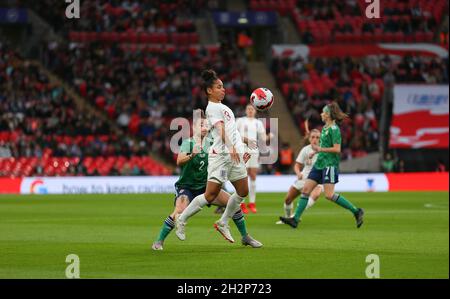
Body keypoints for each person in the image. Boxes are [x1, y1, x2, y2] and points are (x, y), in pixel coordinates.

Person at [152, 109, 261, 250]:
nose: (204, 128)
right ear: (194, 127)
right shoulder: (188, 142)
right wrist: (192, 154)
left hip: (207, 186)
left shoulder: (213, 143)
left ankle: (245, 237)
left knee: (233, 205)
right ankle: (159, 242)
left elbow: (225, 163)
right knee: (179, 211)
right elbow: (179, 161)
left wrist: (240, 162)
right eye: (201, 125)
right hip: (187, 186)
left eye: (206, 125)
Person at [175, 69, 260, 244]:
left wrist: (243, 142)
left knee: (243, 191)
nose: (224, 89)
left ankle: (223, 222)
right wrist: (230, 147)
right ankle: (182, 219)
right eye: (219, 87)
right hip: (221, 157)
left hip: (233, 156)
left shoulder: (223, 107)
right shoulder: (212, 108)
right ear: (209, 91)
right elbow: (220, 130)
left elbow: (231, 129)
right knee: (210, 195)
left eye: (223, 86)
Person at [279, 102, 364, 229]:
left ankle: (356, 211)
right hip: (319, 165)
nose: (321, 114)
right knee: (306, 190)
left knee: (329, 195)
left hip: (329, 165)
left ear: (329, 115)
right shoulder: (324, 128)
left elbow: (337, 149)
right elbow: (322, 147)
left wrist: (319, 149)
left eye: (323, 112)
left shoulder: (334, 130)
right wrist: (315, 151)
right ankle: (295, 219)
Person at [276, 129, 323, 225]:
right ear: (309, 138)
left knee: (316, 194)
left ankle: (296, 215)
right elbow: (297, 165)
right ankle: (288, 218)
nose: (315, 139)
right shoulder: (305, 150)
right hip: (304, 178)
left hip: (317, 179)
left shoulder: (324, 150)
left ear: (320, 139)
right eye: (313, 137)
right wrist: (298, 173)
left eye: (317, 137)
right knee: (288, 200)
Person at [236, 104, 272, 214]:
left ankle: (252, 203)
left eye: (252, 109)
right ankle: (241, 203)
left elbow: (263, 138)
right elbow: (233, 133)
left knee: (253, 175)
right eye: (248, 109)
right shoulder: (240, 121)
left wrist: (269, 136)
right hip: (242, 149)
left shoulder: (258, 123)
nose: (250, 111)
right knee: (242, 176)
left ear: (255, 111)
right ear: (246, 110)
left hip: (254, 150)